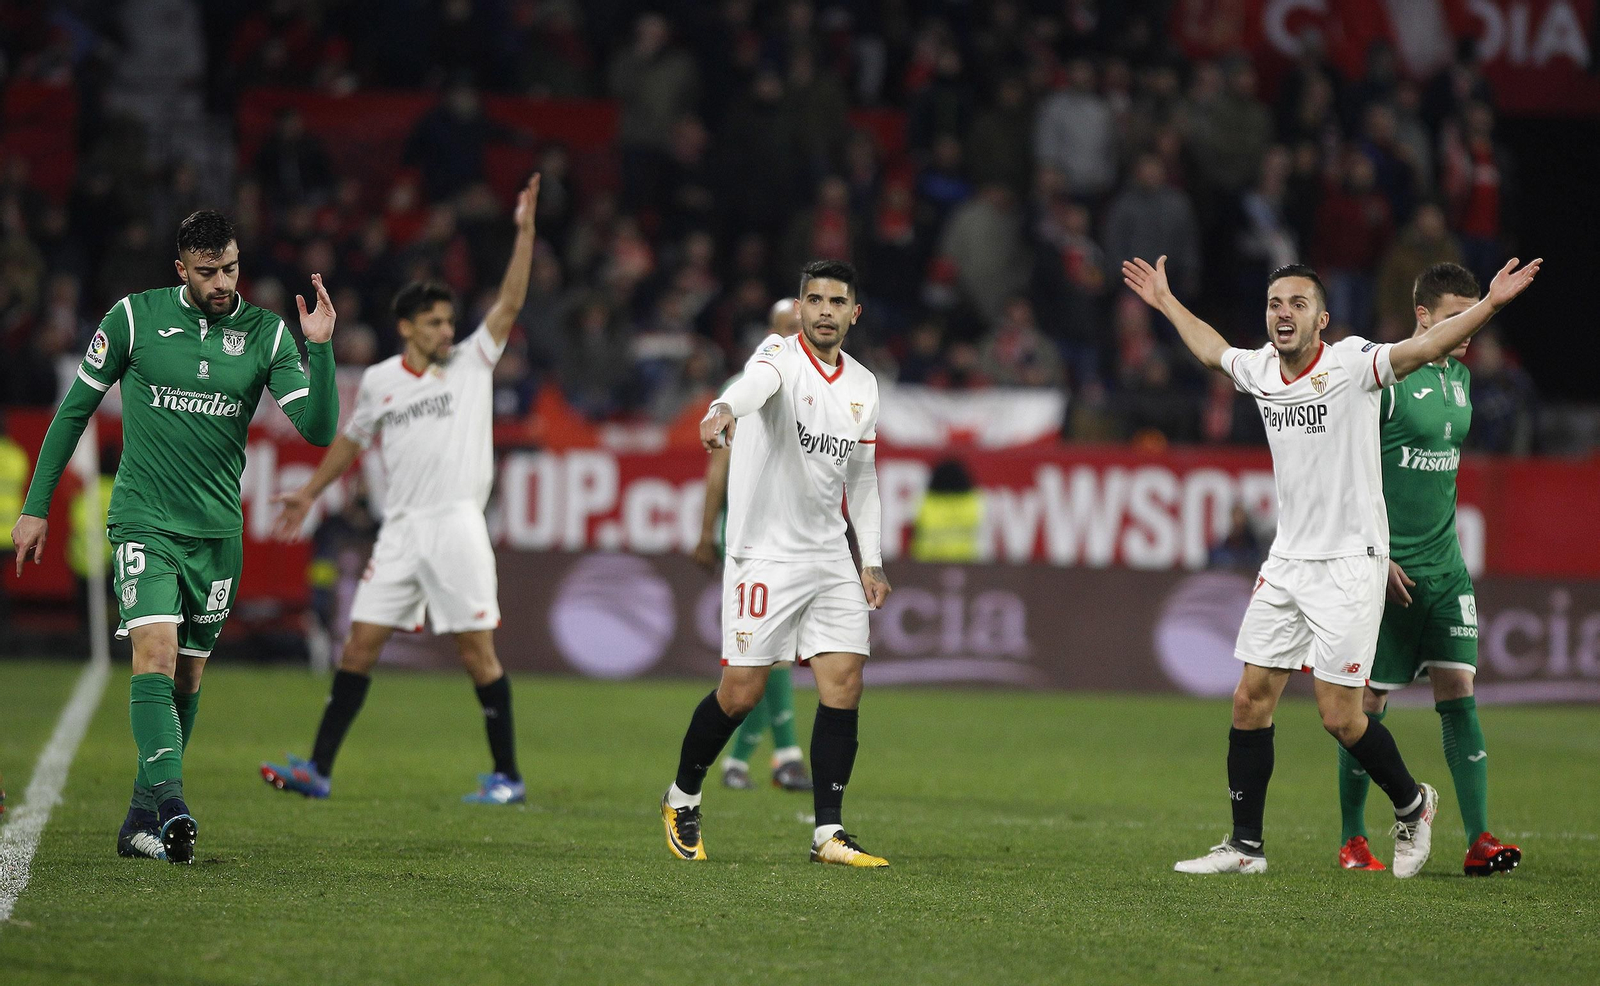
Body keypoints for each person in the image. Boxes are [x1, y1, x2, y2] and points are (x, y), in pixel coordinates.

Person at [1121, 252, 1540, 877]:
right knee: (1248, 700)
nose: (1282, 313)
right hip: (1289, 559)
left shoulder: (1352, 364)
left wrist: (1490, 307)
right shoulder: (1262, 369)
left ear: (1323, 319)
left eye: (1297, 304)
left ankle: (1412, 803)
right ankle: (1245, 847)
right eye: (1274, 304)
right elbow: (1212, 350)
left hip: (1351, 561)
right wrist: (1165, 300)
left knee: (1341, 717)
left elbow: (1423, 350)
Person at [11, 210, 340, 864]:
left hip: (217, 537)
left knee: (187, 678)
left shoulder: (266, 334)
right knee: (154, 656)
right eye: (209, 270)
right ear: (181, 269)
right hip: (145, 522)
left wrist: (322, 347)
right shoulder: (133, 319)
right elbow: (74, 410)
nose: (224, 282)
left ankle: (138, 822)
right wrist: (35, 505)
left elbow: (319, 429)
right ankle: (171, 804)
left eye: (232, 267)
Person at [260, 175, 542, 806]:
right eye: (436, 322)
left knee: (478, 655)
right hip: (403, 529)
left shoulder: (472, 362)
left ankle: (508, 778)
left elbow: (511, 301)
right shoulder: (384, 380)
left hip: (456, 525)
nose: (449, 330)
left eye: (449, 321)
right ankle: (318, 769)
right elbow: (352, 441)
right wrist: (309, 492)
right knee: (359, 646)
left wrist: (524, 232)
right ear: (408, 326)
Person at [661, 260, 891, 867]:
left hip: (828, 553)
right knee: (740, 693)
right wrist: (723, 409)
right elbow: (749, 388)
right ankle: (682, 795)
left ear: (853, 313)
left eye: (836, 302)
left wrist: (871, 559)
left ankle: (828, 834)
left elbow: (862, 478)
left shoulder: (864, 386)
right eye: (813, 300)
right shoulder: (778, 355)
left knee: (844, 683)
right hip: (764, 554)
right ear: (799, 306)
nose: (823, 311)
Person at [1336, 263, 1521, 877]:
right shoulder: (1385, 380)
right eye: (1452, 318)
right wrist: (1376, 552)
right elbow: (1348, 474)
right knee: (1366, 703)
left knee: (1458, 691)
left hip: (1446, 569)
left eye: (1473, 317)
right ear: (1421, 317)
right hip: (1390, 571)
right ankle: (1353, 839)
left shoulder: (1463, 381)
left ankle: (1479, 841)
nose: (1466, 330)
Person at [692, 298, 814, 794]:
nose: (793, 335)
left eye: (798, 326)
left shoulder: (816, 390)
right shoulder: (745, 389)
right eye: (785, 327)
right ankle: (783, 757)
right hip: (751, 536)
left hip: (794, 534)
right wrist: (706, 533)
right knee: (767, 656)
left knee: (772, 655)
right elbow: (718, 467)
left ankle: (743, 761)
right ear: (770, 332)